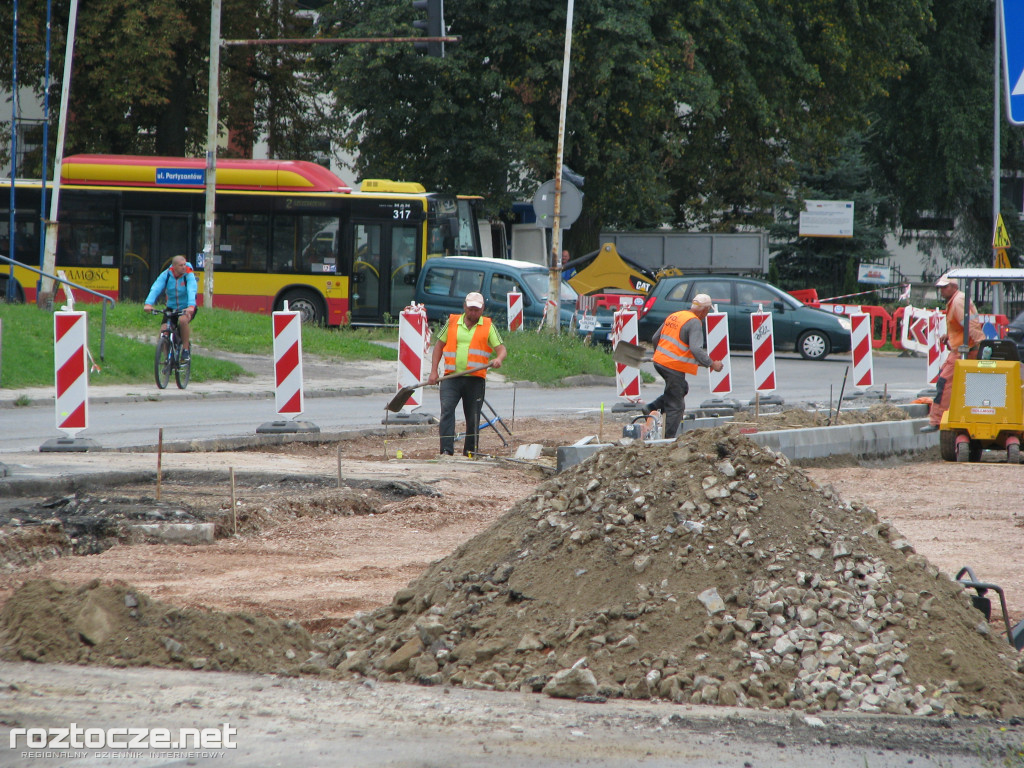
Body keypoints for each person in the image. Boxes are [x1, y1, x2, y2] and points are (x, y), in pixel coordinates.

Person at [427, 291, 507, 456]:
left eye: (476, 310)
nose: (473, 313)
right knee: (447, 412)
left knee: (473, 417)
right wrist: (434, 371)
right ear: (464, 307)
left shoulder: (488, 326)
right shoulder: (452, 322)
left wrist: (499, 359)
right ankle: (446, 452)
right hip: (451, 377)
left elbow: (501, 349)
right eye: (470, 309)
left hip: (475, 380)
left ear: (482, 309)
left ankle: (470, 452)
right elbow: (438, 347)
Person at [643, 293, 723, 439]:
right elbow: (696, 349)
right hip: (672, 366)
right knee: (676, 406)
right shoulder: (694, 322)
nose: (706, 314)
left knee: (680, 389)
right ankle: (668, 440)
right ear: (704, 310)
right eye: (707, 311)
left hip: (660, 362)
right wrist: (712, 364)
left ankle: (652, 408)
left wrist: (660, 356)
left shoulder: (676, 315)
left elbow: (656, 337)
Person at [922, 274, 985, 432]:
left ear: (954, 287)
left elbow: (970, 325)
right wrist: (949, 337)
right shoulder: (958, 300)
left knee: (944, 383)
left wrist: (980, 344)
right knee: (960, 386)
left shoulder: (957, 302)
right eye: (940, 288)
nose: (941, 290)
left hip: (965, 351)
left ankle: (937, 420)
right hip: (964, 349)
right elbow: (963, 326)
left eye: (945, 287)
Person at [144, 255, 198, 362]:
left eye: (184, 264)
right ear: (174, 267)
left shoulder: (188, 274)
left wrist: (191, 305)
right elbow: (156, 288)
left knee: (183, 320)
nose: (184, 267)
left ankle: (186, 350)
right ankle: (167, 359)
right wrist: (148, 303)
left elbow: (192, 289)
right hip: (171, 307)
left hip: (187, 307)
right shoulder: (166, 275)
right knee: (164, 330)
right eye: (181, 265)